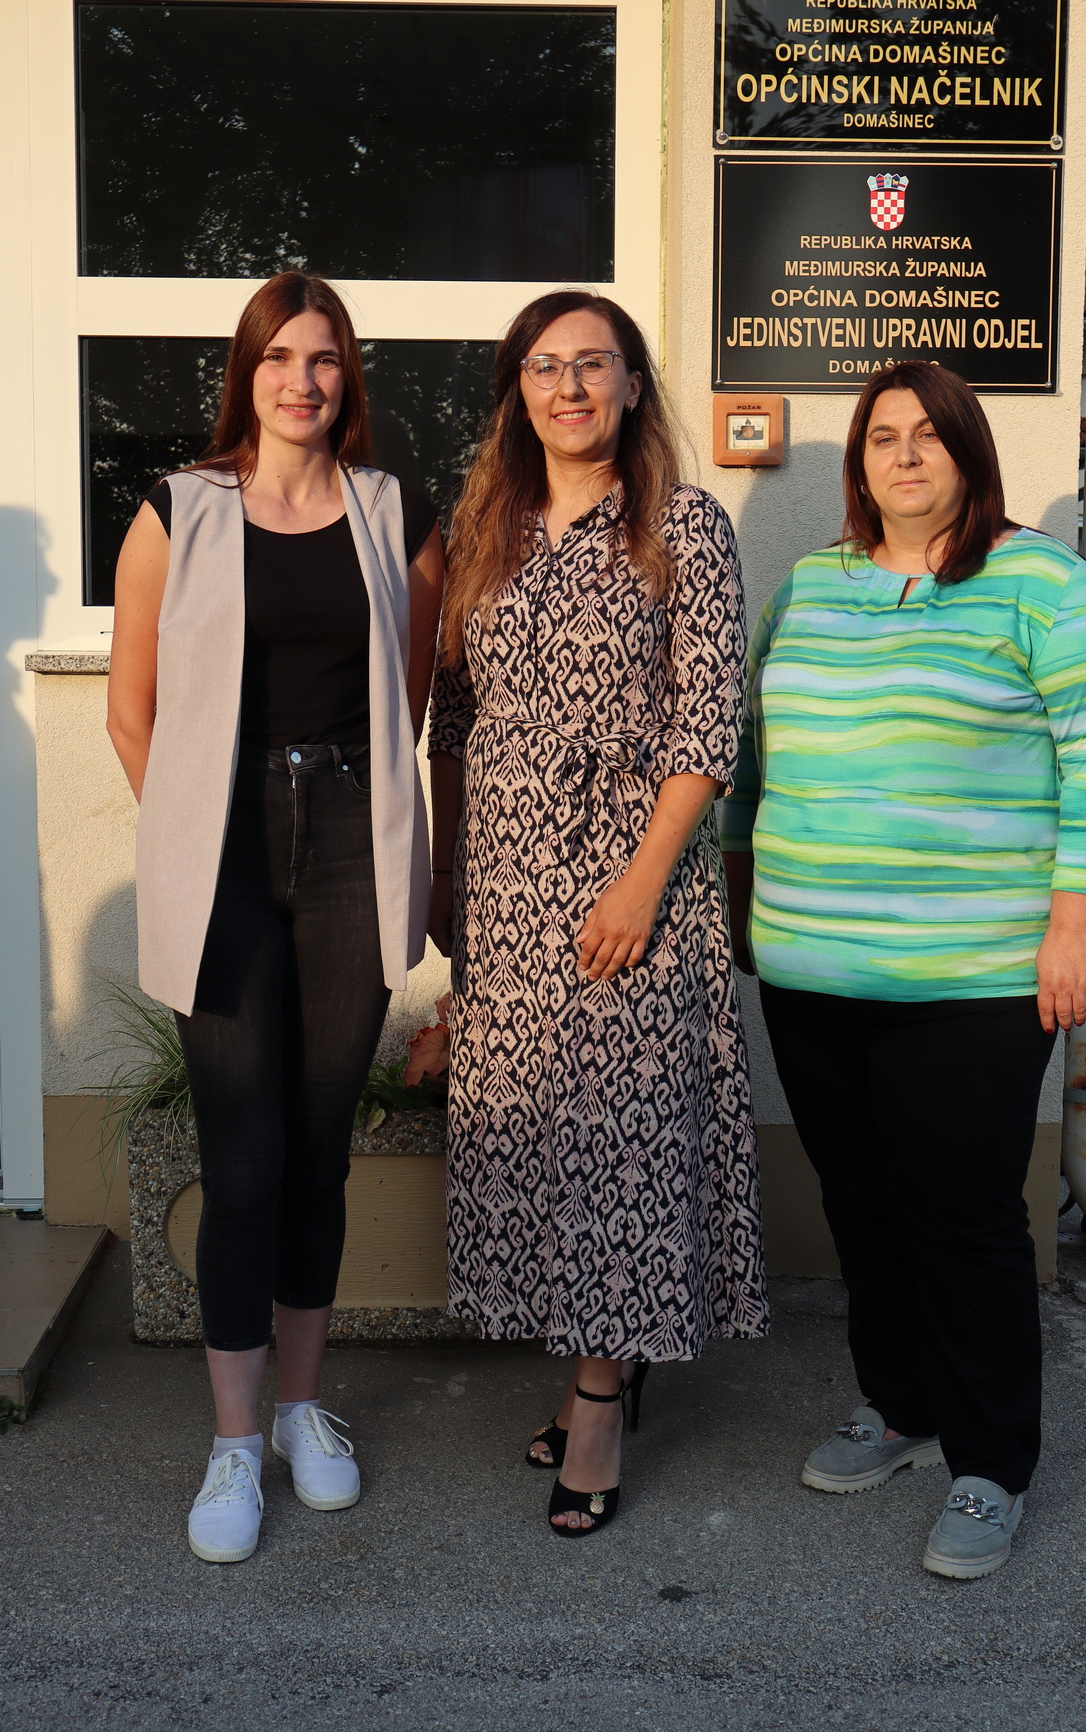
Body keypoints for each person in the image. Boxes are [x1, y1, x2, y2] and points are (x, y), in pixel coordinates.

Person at [720, 362, 1086, 1579]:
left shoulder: (1046, 589)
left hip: (975, 979)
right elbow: (752, 752)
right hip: (813, 967)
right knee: (863, 1201)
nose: (904, 455)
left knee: (962, 1216)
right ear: (860, 463)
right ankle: (903, 1405)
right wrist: (744, 898)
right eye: (882, 437)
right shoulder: (813, 586)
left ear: (969, 451)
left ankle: (990, 1462)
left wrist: (1076, 929)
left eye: (928, 435)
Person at [107, 272, 443, 1563]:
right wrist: (189, 841)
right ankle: (235, 1440)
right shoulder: (177, 510)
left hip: (350, 839)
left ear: (348, 377)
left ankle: (304, 1409)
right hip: (226, 849)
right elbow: (130, 709)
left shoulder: (392, 512)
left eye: (325, 359)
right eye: (279, 357)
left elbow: (406, 693)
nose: (303, 381)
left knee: (319, 1152)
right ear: (244, 374)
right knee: (242, 1159)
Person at [427, 290, 770, 1537]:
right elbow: (452, 718)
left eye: (593, 363)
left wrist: (640, 879)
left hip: (635, 875)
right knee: (535, 1130)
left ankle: (600, 1399)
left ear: (631, 384)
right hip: (505, 882)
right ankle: (599, 1361)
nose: (568, 386)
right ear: (517, 392)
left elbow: (708, 721)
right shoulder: (483, 527)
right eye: (544, 366)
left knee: (621, 1139)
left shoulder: (683, 524)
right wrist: (447, 876)